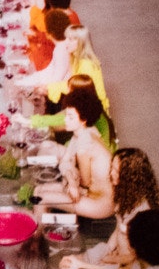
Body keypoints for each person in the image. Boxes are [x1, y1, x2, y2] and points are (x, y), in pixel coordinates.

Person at [35, 87, 116, 221]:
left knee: (40, 198)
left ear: (83, 120)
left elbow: (84, 182)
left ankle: (36, 240)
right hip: (90, 193)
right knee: (38, 190)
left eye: (70, 117)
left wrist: (71, 180)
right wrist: (71, 181)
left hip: (101, 203)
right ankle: (46, 230)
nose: (65, 120)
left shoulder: (84, 143)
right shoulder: (84, 132)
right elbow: (65, 161)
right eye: (66, 114)